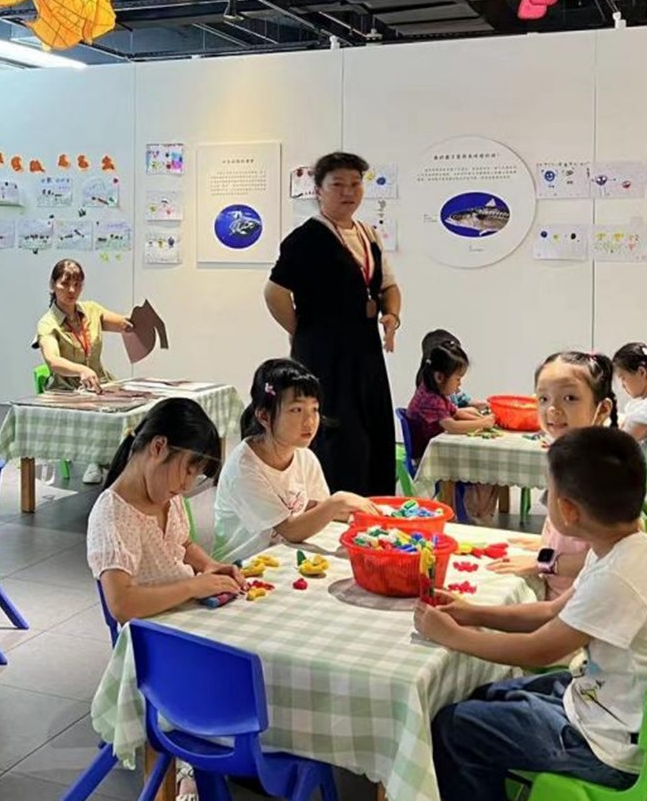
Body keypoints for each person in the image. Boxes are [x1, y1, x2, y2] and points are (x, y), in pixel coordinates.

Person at [415, 426, 647, 801]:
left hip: (612, 749)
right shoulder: (627, 549)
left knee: (456, 727)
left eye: (548, 492)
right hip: (621, 713)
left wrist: (454, 636)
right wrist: (473, 612)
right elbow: (552, 611)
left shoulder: (618, 578)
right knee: (491, 694)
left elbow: (539, 649)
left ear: (567, 510)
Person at [86, 397, 244, 801]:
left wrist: (209, 566)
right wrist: (194, 587)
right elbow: (122, 604)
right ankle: (192, 771)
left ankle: (232, 743)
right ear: (158, 447)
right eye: (189, 469)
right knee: (217, 675)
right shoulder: (113, 513)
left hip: (186, 622)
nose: (189, 483)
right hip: (152, 647)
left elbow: (182, 545)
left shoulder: (166, 499)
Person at [264, 152, 401, 495]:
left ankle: (371, 505)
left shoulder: (368, 234)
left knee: (373, 429)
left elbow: (388, 286)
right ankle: (331, 508)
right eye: (338, 184)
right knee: (336, 436)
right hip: (325, 355)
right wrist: (301, 331)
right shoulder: (305, 238)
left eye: (355, 184)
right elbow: (274, 292)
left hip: (366, 351)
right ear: (318, 190)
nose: (348, 192)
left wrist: (391, 315)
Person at [213, 357, 375, 563]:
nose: (310, 421)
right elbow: (290, 530)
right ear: (264, 416)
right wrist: (338, 501)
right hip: (243, 566)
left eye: (314, 409)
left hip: (286, 555)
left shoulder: (304, 457)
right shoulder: (243, 467)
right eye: (296, 410)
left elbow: (314, 509)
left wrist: (365, 513)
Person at [490, 352, 618, 597]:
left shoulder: (600, 471)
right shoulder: (567, 457)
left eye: (570, 398)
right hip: (558, 589)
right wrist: (544, 547)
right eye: (543, 398)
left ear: (602, 409)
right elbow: (565, 533)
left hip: (583, 601)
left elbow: (611, 554)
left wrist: (544, 562)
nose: (552, 409)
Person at [35, 257, 133, 482]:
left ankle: (121, 461)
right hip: (68, 390)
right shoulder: (47, 323)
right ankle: (96, 459)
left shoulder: (91, 310)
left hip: (100, 384)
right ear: (52, 285)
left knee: (135, 407)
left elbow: (123, 324)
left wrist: (138, 324)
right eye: (65, 283)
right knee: (101, 411)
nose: (71, 290)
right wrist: (80, 370)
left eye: (77, 284)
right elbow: (52, 360)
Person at [407, 340, 500, 523]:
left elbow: (456, 412)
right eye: (457, 379)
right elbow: (451, 426)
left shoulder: (437, 393)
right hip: (429, 458)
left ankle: (477, 512)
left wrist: (481, 419)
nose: (459, 384)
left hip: (440, 451)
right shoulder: (430, 399)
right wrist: (483, 423)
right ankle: (477, 513)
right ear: (439, 377)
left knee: (485, 463)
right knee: (484, 466)